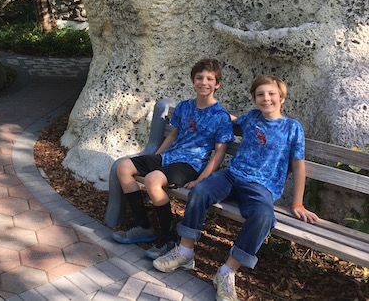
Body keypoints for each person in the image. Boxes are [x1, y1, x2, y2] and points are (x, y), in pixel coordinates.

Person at [152, 75, 319, 301]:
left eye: (271, 94)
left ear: (282, 98)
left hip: (261, 187)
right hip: (232, 176)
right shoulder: (250, 118)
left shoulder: (292, 128)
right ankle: (185, 252)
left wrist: (297, 202)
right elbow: (226, 119)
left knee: (264, 217)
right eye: (260, 94)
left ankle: (227, 271)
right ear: (254, 98)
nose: (266, 98)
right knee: (200, 190)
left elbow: (299, 166)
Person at [112, 58, 235, 259]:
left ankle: (168, 238)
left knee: (152, 180)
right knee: (123, 167)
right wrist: (157, 156)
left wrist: (201, 180)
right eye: (199, 78)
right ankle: (143, 226)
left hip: (190, 165)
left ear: (217, 84)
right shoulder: (184, 107)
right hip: (169, 157)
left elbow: (219, 152)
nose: (204, 82)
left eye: (209, 79)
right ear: (193, 81)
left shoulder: (220, 116)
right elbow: (173, 135)